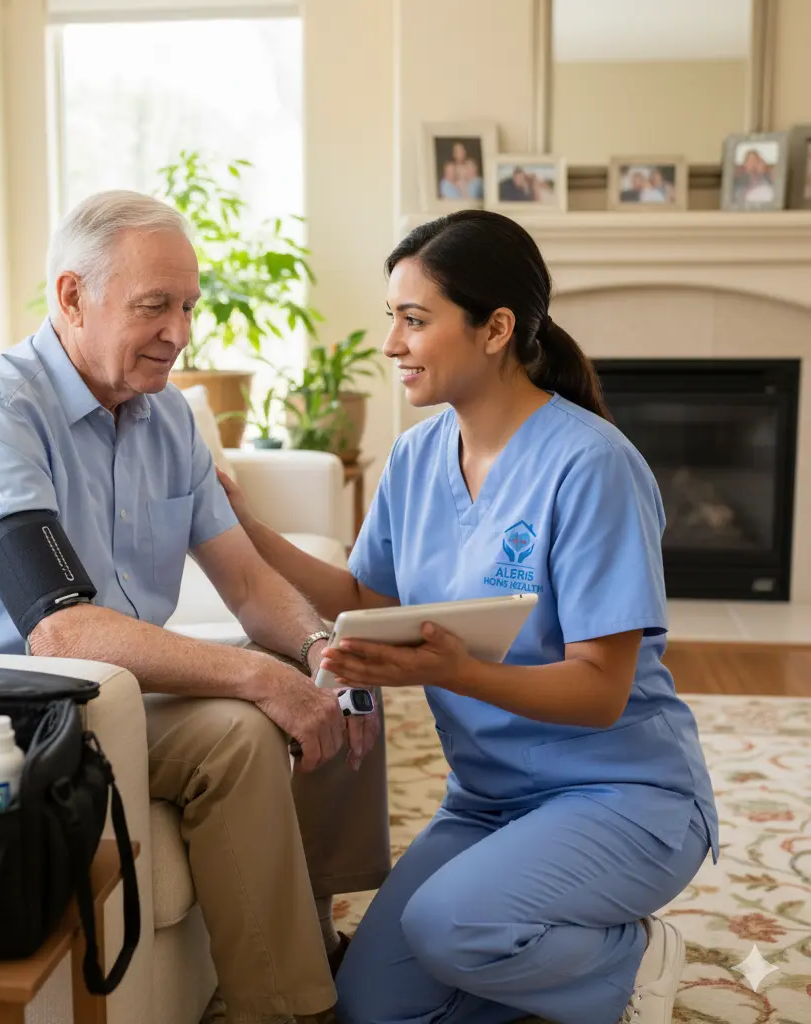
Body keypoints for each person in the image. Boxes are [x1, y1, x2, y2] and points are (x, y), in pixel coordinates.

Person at [217, 209, 719, 1024]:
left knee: (453, 929)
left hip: (623, 793)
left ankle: (631, 961)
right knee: (371, 1011)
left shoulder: (593, 466)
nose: (392, 345)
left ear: (495, 329)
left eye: (414, 321)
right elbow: (369, 601)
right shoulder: (417, 458)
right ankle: (545, 962)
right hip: (487, 800)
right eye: (392, 319)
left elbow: (600, 691)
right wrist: (244, 529)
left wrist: (456, 670)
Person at [0, 190, 392, 1024]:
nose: (179, 331)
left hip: (117, 681)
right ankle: (290, 1012)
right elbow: (59, 628)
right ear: (71, 297)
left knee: (340, 673)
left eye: (188, 306)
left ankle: (317, 937)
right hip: (12, 699)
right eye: (154, 305)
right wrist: (255, 679)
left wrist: (315, 648)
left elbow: (242, 581)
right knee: (241, 728)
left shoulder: (167, 418)